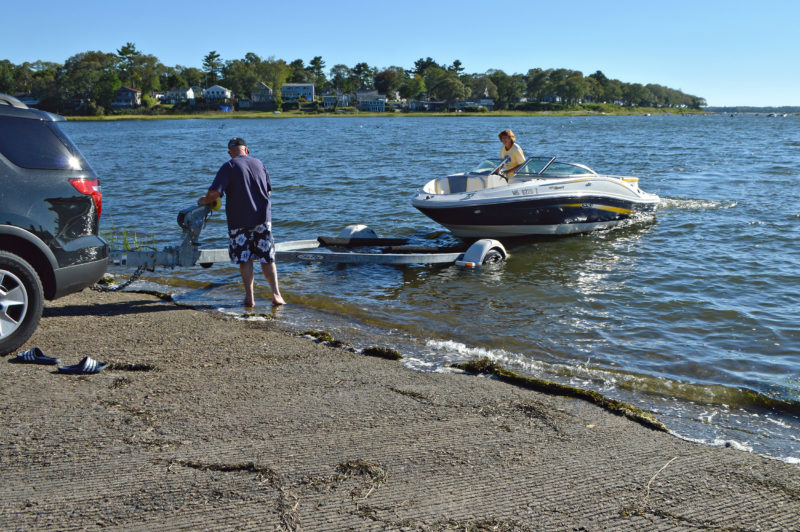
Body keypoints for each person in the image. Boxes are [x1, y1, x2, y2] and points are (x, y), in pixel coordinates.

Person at [198, 137, 285, 307]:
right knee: (267, 258)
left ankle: (249, 298)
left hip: (239, 220)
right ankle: (276, 295)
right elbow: (268, 190)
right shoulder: (260, 164)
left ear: (230, 152)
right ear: (247, 150)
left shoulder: (229, 166)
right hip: (262, 218)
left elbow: (215, 193)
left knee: (245, 259)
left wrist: (204, 200)